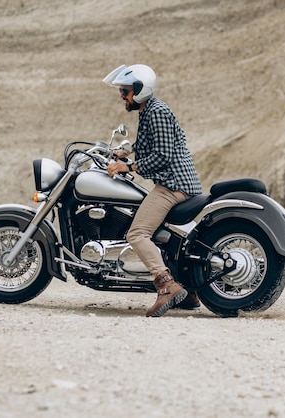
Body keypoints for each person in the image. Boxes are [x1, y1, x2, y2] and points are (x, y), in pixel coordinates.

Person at [103, 64, 203, 317]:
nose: (121, 96)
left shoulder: (156, 111)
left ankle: (166, 285)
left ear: (138, 91)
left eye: (124, 91)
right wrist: (126, 151)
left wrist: (128, 166)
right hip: (176, 181)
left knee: (137, 234)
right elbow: (151, 141)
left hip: (173, 184)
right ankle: (187, 292)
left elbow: (163, 155)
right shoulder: (149, 111)